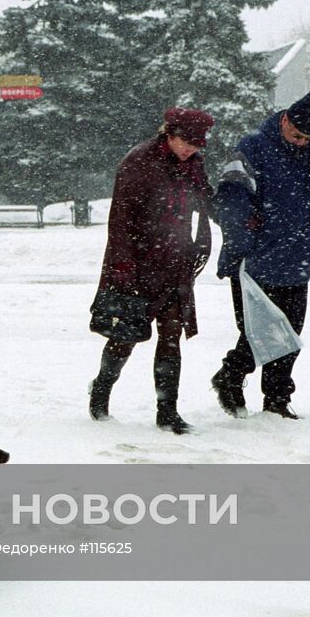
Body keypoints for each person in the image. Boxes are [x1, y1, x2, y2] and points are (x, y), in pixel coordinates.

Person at [210, 89, 310, 419]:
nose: (301, 142)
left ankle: (275, 401)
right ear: (284, 119)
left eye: (308, 137)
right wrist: (244, 246)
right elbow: (231, 199)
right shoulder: (253, 147)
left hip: (297, 259)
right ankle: (231, 378)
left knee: (289, 335)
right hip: (256, 260)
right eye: (296, 135)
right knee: (259, 331)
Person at [88, 107, 215, 434]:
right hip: (138, 263)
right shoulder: (140, 161)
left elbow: (205, 200)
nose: (190, 149)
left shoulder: (193, 165)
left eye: (196, 144)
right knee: (125, 338)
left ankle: (167, 410)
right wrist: (123, 267)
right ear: (169, 134)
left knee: (171, 336)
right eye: (185, 141)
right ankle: (102, 388)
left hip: (175, 263)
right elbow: (121, 219)